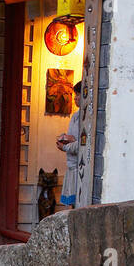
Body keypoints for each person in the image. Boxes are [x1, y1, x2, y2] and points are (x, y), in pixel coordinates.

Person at [57, 80, 82, 208]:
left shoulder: (86, 118)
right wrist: (65, 139)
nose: (76, 98)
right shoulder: (75, 116)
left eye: (78, 94)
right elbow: (73, 138)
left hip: (80, 167)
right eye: (75, 95)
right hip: (71, 165)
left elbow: (83, 144)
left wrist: (67, 146)